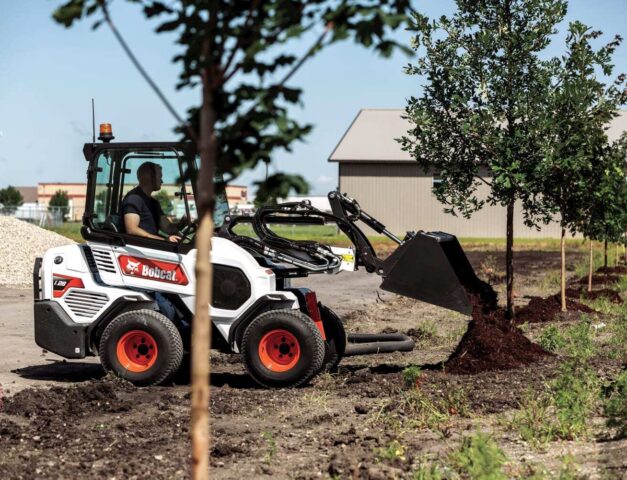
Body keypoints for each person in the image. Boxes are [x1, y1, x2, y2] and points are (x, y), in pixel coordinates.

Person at [121, 161, 182, 242]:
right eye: (160, 177)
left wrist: (183, 223)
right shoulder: (134, 198)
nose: (162, 181)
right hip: (140, 247)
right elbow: (132, 230)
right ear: (149, 177)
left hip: (152, 246)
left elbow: (167, 227)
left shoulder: (154, 203)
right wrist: (164, 240)